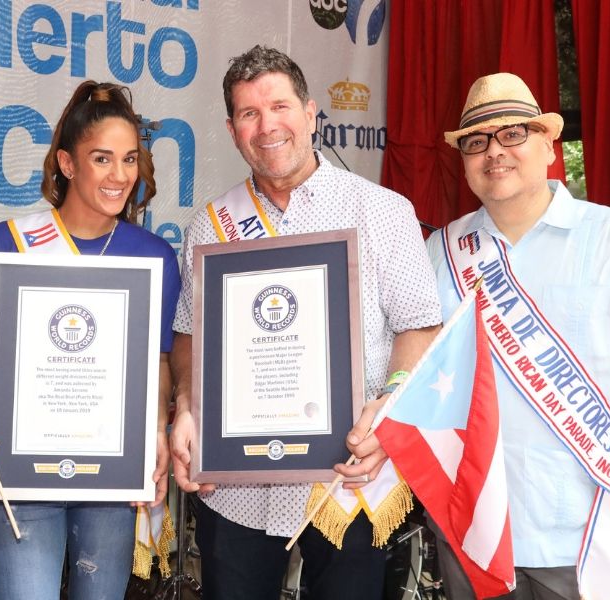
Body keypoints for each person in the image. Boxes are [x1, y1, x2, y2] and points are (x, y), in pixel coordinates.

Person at [168, 45, 442, 600]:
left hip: (346, 475)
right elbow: (188, 336)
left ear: (312, 112)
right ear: (231, 128)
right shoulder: (210, 225)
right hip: (236, 485)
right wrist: (187, 406)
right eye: (249, 113)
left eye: (280, 106)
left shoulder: (382, 210)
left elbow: (419, 325)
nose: (267, 125)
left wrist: (389, 404)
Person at [428, 72, 610, 599]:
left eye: (513, 134)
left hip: (589, 535)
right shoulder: (443, 252)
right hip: (475, 534)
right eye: (476, 142)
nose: (495, 152)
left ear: (549, 146)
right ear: (463, 161)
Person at [0, 80, 181, 600]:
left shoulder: (154, 255)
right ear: (67, 163)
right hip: (19, 459)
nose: (119, 175)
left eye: (129, 159)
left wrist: (159, 431)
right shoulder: (9, 242)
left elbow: (160, 357)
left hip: (115, 464)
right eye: (101, 159)